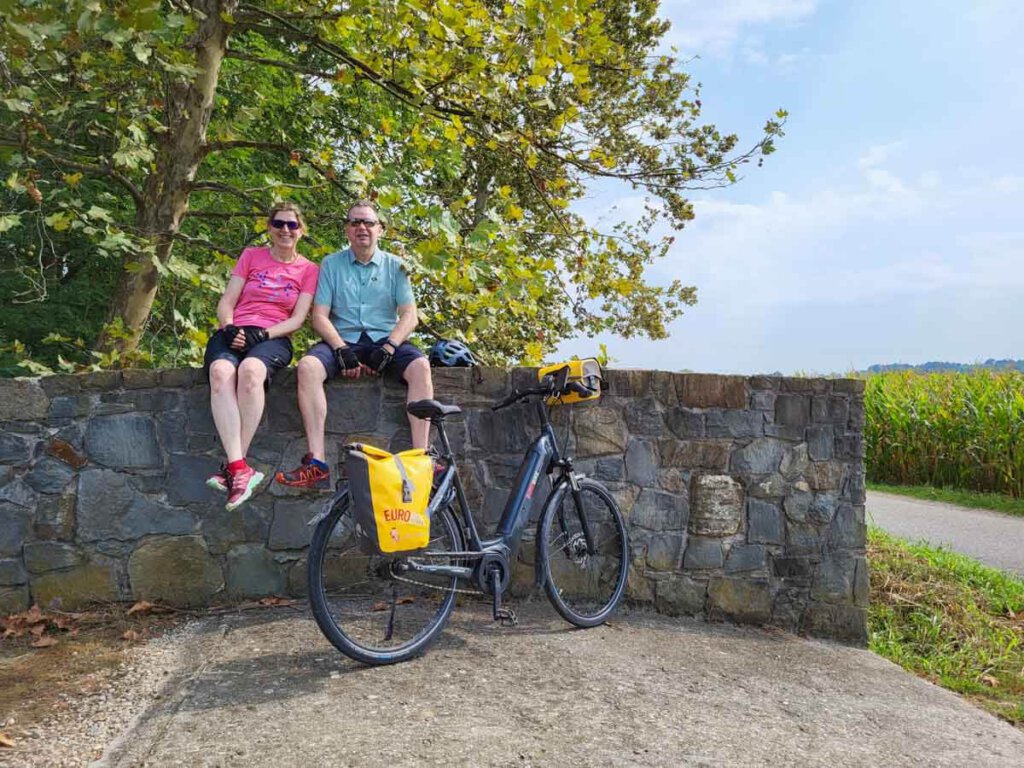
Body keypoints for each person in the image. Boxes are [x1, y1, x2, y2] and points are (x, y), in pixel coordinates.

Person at [275, 200, 433, 489]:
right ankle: (316, 464)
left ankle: (420, 458)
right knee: (308, 367)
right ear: (347, 230)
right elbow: (319, 316)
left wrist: (390, 347)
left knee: (421, 366)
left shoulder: (396, 266)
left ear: (380, 230)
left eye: (368, 222)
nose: (362, 227)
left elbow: (410, 316)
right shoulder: (331, 264)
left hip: (385, 339)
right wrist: (340, 349)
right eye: (355, 222)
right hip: (342, 339)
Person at [203, 202, 319, 510]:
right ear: (269, 227)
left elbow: (298, 319)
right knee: (220, 373)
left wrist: (264, 334)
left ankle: (233, 468)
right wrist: (228, 328)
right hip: (236, 329)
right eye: (279, 224)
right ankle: (241, 468)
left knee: (252, 372)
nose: (285, 230)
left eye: (292, 225)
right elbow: (227, 300)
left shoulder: (309, 270)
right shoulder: (251, 257)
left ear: (301, 231)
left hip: (274, 337)